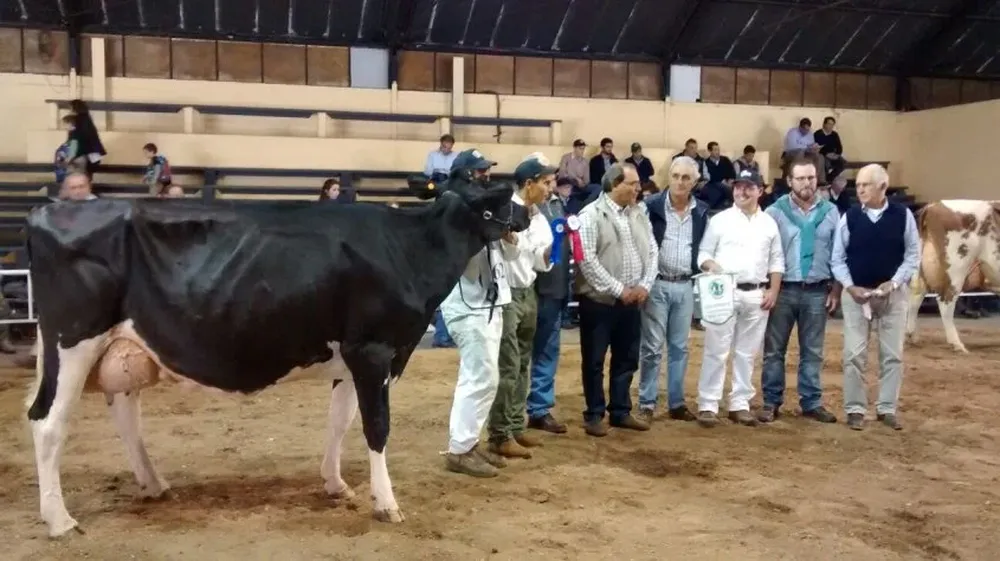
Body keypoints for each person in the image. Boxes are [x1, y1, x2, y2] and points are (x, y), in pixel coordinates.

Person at [831, 163, 920, 431]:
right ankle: (855, 409)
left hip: (892, 296)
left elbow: (912, 255)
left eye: (865, 185)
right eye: (857, 185)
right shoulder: (850, 217)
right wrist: (850, 286)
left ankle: (887, 408)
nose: (859, 190)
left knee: (893, 355)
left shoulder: (903, 215)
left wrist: (893, 283)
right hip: (857, 295)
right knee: (853, 354)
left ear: (883, 186)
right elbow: (837, 258)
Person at [695, 167, 784, 428]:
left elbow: (777, 260)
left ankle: (740, 403)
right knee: (716, 350)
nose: (741, 191)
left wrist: (773, 289)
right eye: (738, 186)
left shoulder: (769, 223)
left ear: (760, 190)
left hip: (757, 292)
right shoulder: (720, 220)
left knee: (747, 353)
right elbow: (703, 253)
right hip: (724, 291)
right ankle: (708, 404)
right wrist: (713, 267)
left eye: (748, 187)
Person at [442, 148, 511, 478]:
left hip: (487, 300)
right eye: (481, 172)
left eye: (487, 171)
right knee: (479, 376)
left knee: (483, 377)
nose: (486, 176)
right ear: (467, 174)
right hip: (466, 302)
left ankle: (467, 443)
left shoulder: (480, 206)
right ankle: (459, 449)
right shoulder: (452, 205)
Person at [575, 162, 657, 437]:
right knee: (595, 360)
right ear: (614, 184)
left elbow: (653, 251)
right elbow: (586, 260)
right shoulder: (590, 215)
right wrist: (619, 289)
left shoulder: (639, 212)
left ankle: (620, 410)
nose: (638, 189)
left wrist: (644, 284)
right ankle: (594, 414)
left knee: (626, 358)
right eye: (633, 184)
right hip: (599, 301)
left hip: (632, 300)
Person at [759, 157, 841, 424]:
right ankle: (771, 401)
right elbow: (766, 255)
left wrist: (836, 290)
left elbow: (838, 254)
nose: (807, 183)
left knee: (813, 351)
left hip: (817, 290)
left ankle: (812, 402)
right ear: (790, 181)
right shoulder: (774, 212)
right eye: (801, 178)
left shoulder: (831, 212)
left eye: (811, 177)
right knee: (774, 350)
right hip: (782, 290)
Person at [488, 154, 556, 458]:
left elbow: (541, 264)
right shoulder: (506, 212)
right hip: (506, 294)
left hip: (527, 290)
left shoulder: (540, 216)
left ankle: (515, 425)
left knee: (523, 361)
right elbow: (510, 252)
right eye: (546, 182)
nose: (550, 188)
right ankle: (499, 433)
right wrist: (528, 249)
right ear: (529, 183)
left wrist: (553, 248)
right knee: (509, 364)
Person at [636, 156, 709, 424]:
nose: (680, 181)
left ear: (695, 181)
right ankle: (647, 401)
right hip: (656, 283)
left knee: (680, 347)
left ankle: (676, 402)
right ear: (669, 177)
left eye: (686, 177)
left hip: (686, 284)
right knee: (652, 347)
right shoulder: (650, 206)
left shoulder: (701, 211)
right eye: (676, 176)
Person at [527, 177, 573, 434]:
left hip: (555, 288)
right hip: (530, 289)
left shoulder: (558, 205)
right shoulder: (524, 207)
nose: (551, 185)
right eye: (546, 180)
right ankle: (509, 415)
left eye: (552, 180)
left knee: (547, 351)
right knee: (519, 355)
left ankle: (539, 409)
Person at [69, 99, 107, 181]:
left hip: (80, 155)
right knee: (87, 179)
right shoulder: (87, 119)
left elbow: (74, 139)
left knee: (78, 179)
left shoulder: (76, 120)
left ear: (74, 108)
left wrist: (70, 156)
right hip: (92, 155)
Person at [783, 118, 826, 185]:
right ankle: (798, 177)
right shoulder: (792, 132)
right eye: (804, 129)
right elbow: (793, 146)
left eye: (807, 129)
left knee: (820, 156)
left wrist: (815, 147)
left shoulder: (810, 133)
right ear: (800, 127)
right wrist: (807, 147)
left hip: (806, 152)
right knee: (800, 152)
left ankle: (819, 180)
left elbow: (811, 144)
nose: (806, 132)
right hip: (791, 153)